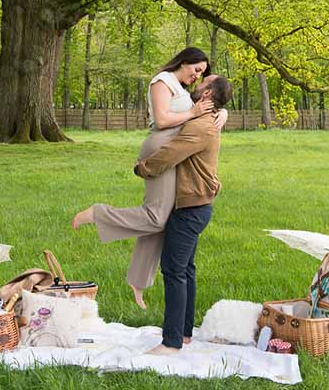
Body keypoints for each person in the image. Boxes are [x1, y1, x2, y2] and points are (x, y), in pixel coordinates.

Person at [71, 47, 227, 309]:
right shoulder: (162, 81)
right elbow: (164, 119)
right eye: (196, 69)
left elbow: (205, 104)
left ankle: (139, 279)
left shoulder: (182, 88)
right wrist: (194, 113)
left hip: (175, 151)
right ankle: (99, 214)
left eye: (203, 74)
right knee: (156, 216)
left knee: (162, 219)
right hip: (161, 149)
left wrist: (222, 112)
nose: (198, 76)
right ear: (185, 61)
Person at [136, 75, 233, 355]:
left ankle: (172, 343)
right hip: (195, 205)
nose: (197, 83)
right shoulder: (206, 119)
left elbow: (170, 155)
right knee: (185, 269)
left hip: (191, 209)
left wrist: (142, 168)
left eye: (204, 82)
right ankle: (185, 333)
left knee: (174, 270)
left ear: (209, 94)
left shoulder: (202, 126)